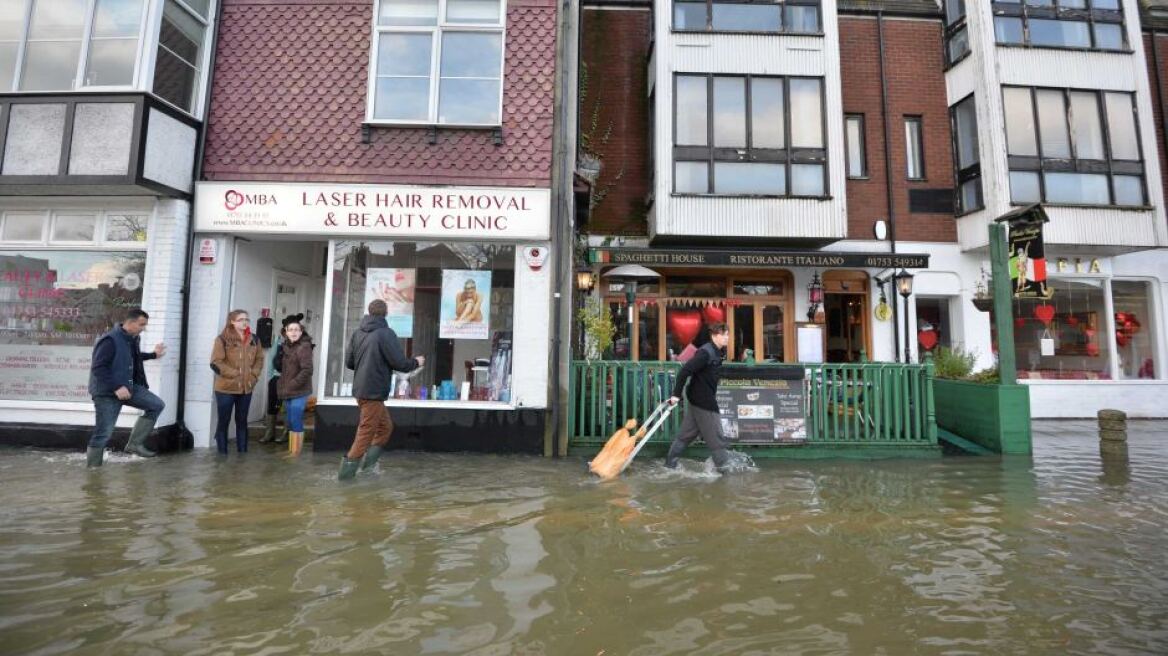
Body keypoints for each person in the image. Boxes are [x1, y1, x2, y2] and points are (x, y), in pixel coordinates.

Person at [340, 299, 424, 480]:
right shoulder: (386, 334)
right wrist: (417, 362)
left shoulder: (357, 333)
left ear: (369, 312)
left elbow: (349, 363)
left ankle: (368, 469)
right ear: (386, 313)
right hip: (373, 392)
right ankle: (345, 478)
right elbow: (400, 363)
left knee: (385, 427)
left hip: (362, 390)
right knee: (365, 433)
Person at [86, 308, 166, 467]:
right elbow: (98, 367)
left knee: (156, 405)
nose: (144, 328)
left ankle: (135, 444)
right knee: (103, 433)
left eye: (145, 325)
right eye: (141, 324)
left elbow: (134, 358)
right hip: (107, 392)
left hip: (129, 387)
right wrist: (116, 387)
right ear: (130, 323)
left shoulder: (132, 338)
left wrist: (153, 355)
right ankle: (93, 471)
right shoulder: (109, 340)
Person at [665, 321, 732, 471]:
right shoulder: (705, 353)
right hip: (704, 402)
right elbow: (684, 371)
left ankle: (669, 466)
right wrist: (676, 395)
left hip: (697, 399)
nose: (727, 338)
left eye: (728, 335)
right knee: (717, 439)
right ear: (715, 335)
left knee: (685, 436)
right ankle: (726, 474)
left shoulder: (717, 351)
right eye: (724, 335)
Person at [210, 309, 265, 454]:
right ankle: (222, 456)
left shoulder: (255, 339)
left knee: (242, 421)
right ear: (232, 322)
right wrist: (236, 374)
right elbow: (216, 362)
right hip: (226, 389)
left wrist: (254, 376)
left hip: (246, 388)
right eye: (241, 319)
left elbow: (260, 359)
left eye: (247, 319)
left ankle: (243, 455)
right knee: (224, 421)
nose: (245, 322)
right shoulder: (222, 339)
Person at [260, 314, 302, 444]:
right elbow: (271, 359)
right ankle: (269, 433)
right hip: (276, 378)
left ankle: (286, 432)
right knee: (272, 405)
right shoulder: (278, 340)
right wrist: (271, 376)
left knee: (287, 406)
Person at [276, 317, 314, 457]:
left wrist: (293, 384)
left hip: (299, 390)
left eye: (296, 329)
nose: (293, 332)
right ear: (285, 332)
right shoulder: (285, 346)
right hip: (287, 390)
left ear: (301, 331)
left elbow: (307, 370)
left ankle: (296, 453)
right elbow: (281, 368)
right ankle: (292, 450)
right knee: (290, 420)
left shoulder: (304, 346)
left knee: (296, 419)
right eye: (290, 330)